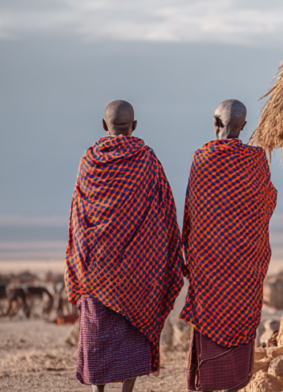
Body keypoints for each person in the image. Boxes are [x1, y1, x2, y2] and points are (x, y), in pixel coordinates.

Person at [66, 100, 184, 392]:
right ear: (134, 126)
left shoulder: (89, 162)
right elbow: (165, 213)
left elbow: (78, 220)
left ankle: (98, 390)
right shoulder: (146, 160)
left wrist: (79, 262)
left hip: (95, 271)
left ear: (104, 126)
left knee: (98, 334)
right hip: (138, 271)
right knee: (134, 329)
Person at [181, 99, 277, 392]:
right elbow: (268, 201)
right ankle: (235, 386)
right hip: (244, 266)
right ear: (244, 126)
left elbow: (191, 212)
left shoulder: (202, 159)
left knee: (210, 319)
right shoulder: (256, 160)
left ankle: (208, 383)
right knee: (240, 317)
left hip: (208, 267)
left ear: (215, 123)